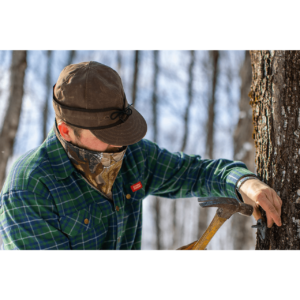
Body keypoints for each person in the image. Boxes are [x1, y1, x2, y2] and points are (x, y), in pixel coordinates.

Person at [0, 61, 282, 255]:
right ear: (66, 130)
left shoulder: (133, 156)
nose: (118, 143)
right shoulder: (29, 188)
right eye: (105, 134)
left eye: (120, 131)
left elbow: (196, 172)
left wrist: (244, 182)